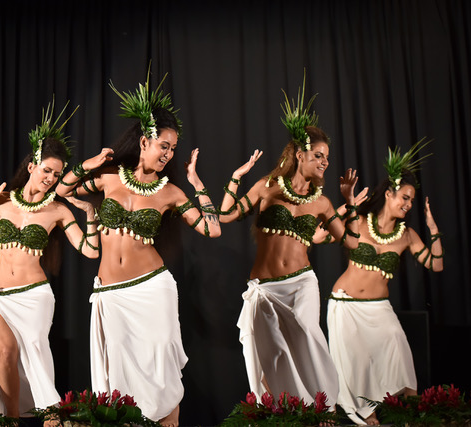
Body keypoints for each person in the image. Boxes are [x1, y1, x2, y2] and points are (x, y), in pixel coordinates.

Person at [56, 72, 221, 427]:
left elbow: (212, 228)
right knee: (119, 372)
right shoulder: (110, 176)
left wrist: (197, 184)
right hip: (112, 293)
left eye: (173, 148)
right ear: (145, 141)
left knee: (161, 364)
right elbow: (63, 190)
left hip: (152, 288)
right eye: (164, 145)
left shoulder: (172, 193)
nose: (169, 153)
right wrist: (90, 163)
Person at [218, 75, 361, 409]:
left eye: (327, 158)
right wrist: (236, 178)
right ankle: (282, 410)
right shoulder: (267, 186)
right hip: (266, 288)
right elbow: (225, 217)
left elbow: (351, 243)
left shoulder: (323, 203)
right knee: (274, 351)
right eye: (319, 156)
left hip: (301, 283)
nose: (326, 163)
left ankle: (321, 404)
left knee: (309, 333)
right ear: (300, 154)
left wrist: (350, 201)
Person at [0, 102, 99, 418]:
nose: (51, 178)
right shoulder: (2, 203)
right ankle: (9, 421)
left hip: (34, 295)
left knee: (35, 353)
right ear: (32, 166)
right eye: (47, 170)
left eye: (57, 174)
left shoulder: (59, 211)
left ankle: (50, 416)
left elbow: (90, 250)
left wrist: (89, 212)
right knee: (5, 354)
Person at [318, 139, 443, 425]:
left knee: (398, 350)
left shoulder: (407, 234)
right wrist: (346, 203)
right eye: (405, 198)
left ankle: (413, 413)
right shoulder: (359, 221)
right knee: (356, 362)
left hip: (379, 307)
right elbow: (320, 235)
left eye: (412, 200)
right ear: (389, 194)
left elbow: (436, 264)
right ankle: (367, 414)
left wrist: (433, 229)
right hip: (345, 304)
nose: (409, 204)